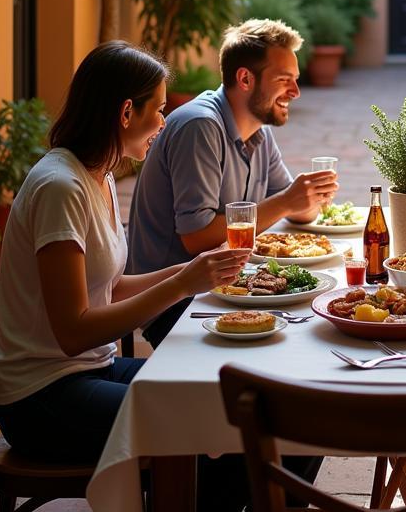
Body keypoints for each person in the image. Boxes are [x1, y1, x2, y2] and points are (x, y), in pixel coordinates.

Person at [0, 41, 251, 512]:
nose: (165, 117)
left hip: (89, 370)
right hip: (41, 395)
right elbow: (73, 331)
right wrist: (182, 285)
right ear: (124, 112)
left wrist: (193, 277)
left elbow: (110, 284)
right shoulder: (60, 188)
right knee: (213, 420)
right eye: (157, 106)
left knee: (230, 391)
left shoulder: (100, 173)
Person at [128, 19, 338, 346]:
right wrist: (286, 202)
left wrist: (307, 199)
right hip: (174, 301)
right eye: (285, 80)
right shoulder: (199, 127)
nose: (295, 92)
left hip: (225, 286)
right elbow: (197, 238)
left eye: (295, 81)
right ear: (244, 79)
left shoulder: (259, 130)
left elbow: (292, 208)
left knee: (314, 319)